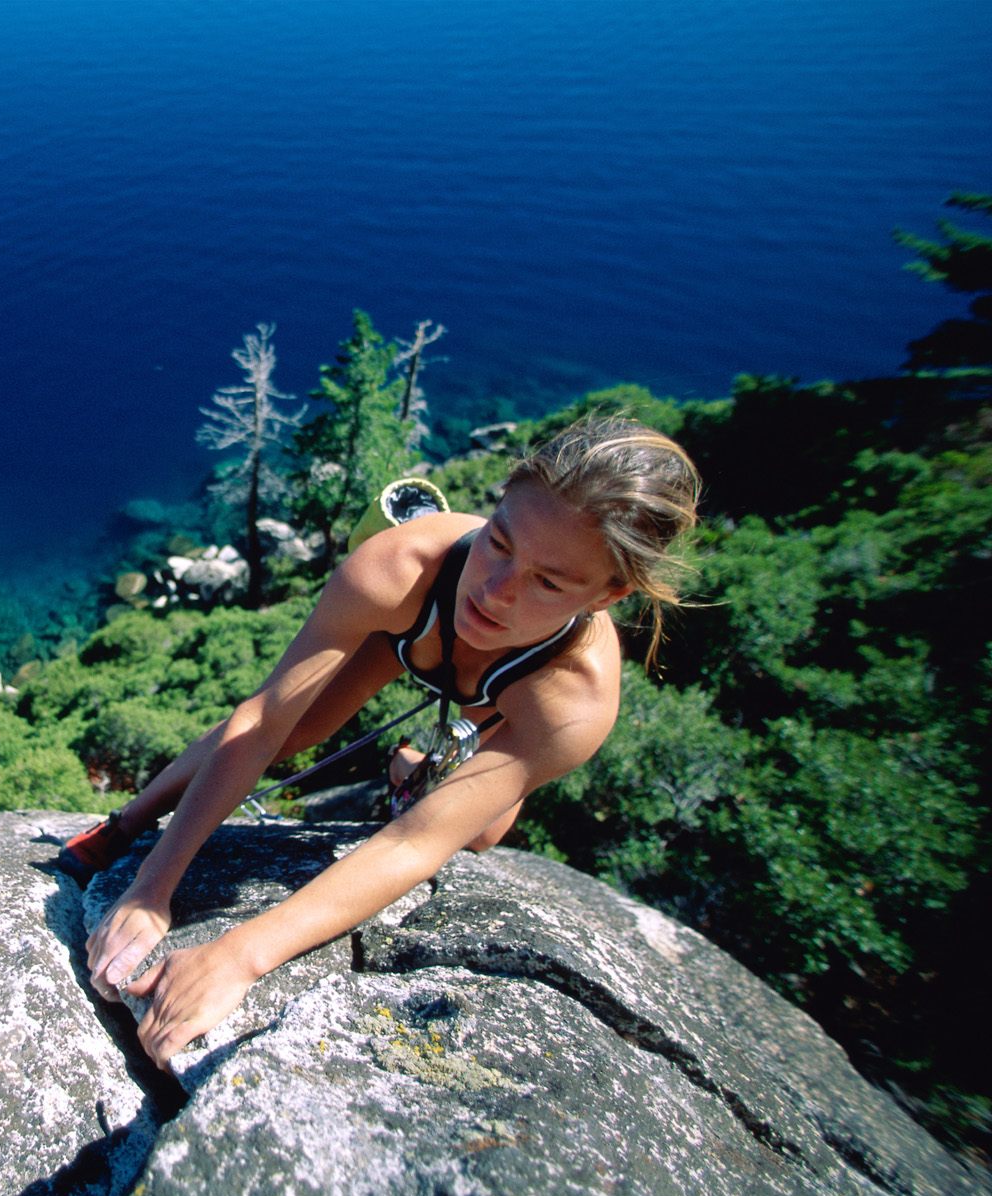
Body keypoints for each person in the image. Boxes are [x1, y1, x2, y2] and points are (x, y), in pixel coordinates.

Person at [69, 414, 702, 1069]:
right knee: (296, 726)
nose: (495, 588)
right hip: (413, 624)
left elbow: (416, 842)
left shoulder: (573, 701)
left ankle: (416, 769)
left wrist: (239, 957)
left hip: (510, 687)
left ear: (610, 593)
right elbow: (261, 722)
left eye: (548, 581)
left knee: (479, 832)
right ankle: (124, 821)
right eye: (500, 541)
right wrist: (150, 887)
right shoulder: (401, 566)